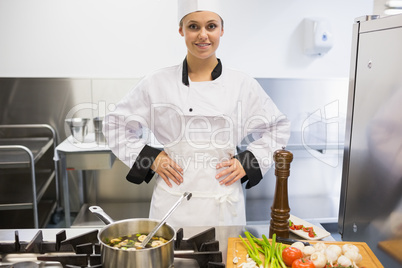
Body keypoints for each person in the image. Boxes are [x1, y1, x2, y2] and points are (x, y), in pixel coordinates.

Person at [103, 0, 290, 227]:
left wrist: (249, 161)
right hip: (172, 205)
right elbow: (115, 125)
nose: (203, 35)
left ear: (222, 30)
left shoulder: (242, 84)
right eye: (193, 27)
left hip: (223, 205)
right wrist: (151, 158)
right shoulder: (156, 82)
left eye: (211, 26)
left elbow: (278, 126)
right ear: (181, 30)